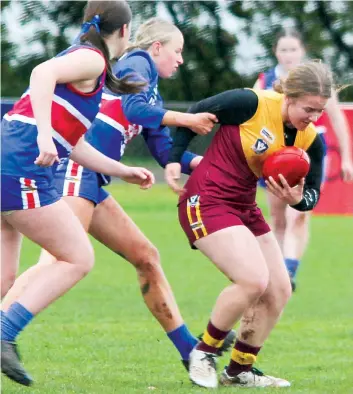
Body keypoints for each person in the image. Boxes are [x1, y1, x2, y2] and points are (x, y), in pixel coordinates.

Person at [1, 17, 233, 378]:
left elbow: (165, 150)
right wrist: (186, 120)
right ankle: (4, 334)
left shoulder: (151, 90)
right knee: (59, 261)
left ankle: (190, 351)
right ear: (156, 47)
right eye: (178, 51)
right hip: (75, 172)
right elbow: (133, 110)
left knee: (146, 257)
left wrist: (210, 164)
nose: (181, 60)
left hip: (92, 175)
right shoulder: (137, 61)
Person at [0, 1, 156, 387]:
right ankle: (4, 335)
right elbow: (41, 73)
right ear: (124, 32)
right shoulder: (92, 60)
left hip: (9, 160)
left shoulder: (88, 64)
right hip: (19, 165)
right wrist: (40, 134)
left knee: (4, 278)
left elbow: (74, 143)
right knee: (78, 256)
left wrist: (123, 171)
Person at [165, 61, 333, 388]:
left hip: (243, 206)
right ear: (289, 96)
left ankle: (239, 370)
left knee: (279, 290)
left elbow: (313, 193)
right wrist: (175, 158)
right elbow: (196, 112)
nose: (314, 117)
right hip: (206, 199)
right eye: (309, 108)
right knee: (253, 280)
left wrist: (297, 199)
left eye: (320, 111)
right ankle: (203, 352)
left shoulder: (311, 140)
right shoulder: (250, 103)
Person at [254, 28, 353, 290]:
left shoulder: (318, 81)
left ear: (303, 51)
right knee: (277, 218)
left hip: (309, 150)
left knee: (299, 212)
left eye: (293, 49)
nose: (288, 55)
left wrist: (346, 158)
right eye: (283, 49)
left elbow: (337, 118)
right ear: (276, 52)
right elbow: (251, 118)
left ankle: (289, 269)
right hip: (274, 153)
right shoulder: (265, 81)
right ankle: (277, 269)